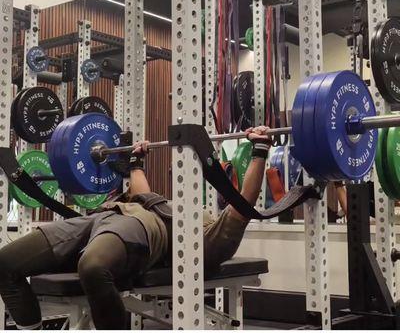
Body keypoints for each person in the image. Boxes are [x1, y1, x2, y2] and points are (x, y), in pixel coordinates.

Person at [0, 126, 272, 330]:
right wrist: (136, 162)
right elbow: (144, 196)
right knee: (5, 264)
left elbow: (242, 203)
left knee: (93, 267)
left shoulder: (213, 240)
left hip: (139, 228)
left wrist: (259, 151)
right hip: (104, 215)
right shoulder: (163, 205)